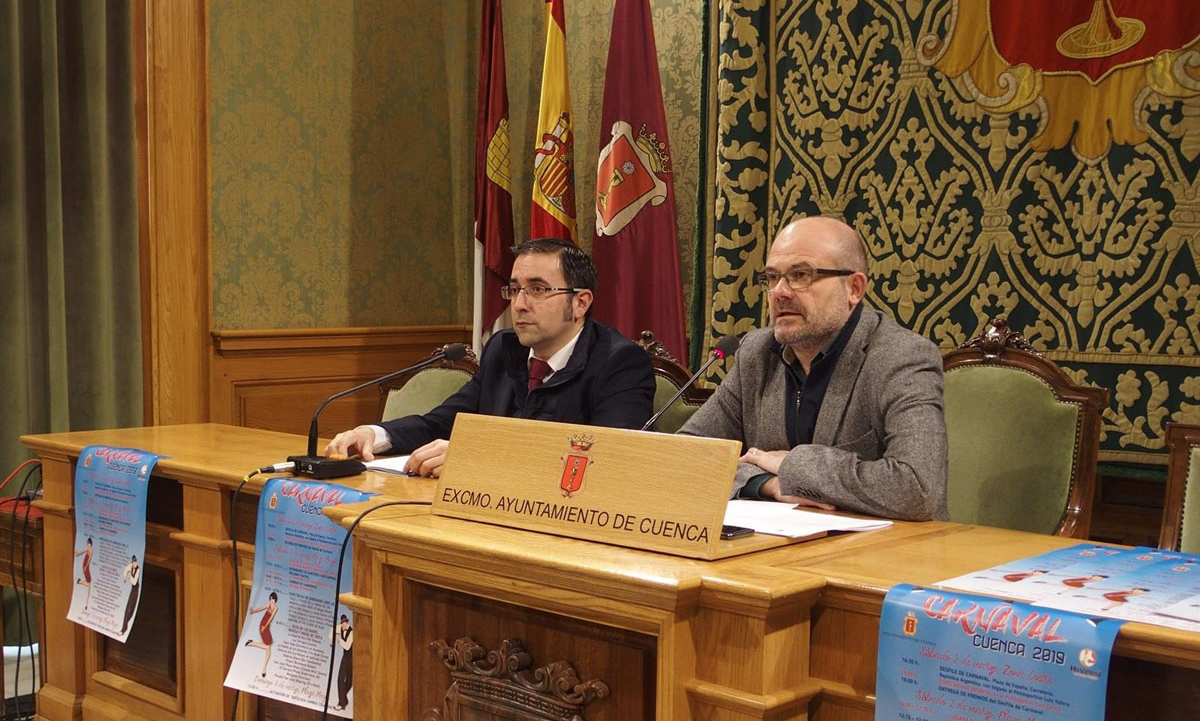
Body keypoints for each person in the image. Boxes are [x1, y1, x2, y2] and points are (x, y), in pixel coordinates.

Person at [679, 216, 947, 520]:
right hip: (773, 552)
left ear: (854, 288)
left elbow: (917, 489)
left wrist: (791, 465)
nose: (780, 292)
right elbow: (685, 456)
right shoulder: (756, 354)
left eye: (801, 275)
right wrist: (764, 483)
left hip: (878, 556)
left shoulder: (900, 357)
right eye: (771, 278)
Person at [325, 238, 656, 477]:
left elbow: (607, 459)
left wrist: (475, 458)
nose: (520, 304)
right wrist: (375, 434)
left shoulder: (620, 363)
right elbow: (446, 422)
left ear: (581, 303)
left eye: (538, 290)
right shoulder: (503, 348)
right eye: (514, 289)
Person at [244, 591, 278, 678]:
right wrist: (253, 611)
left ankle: (264, 668)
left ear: (275, 600)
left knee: (268, 648)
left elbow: (270, 619)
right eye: (270, 599)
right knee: (268, 647)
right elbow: (261, 608)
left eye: (273, 600)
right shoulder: (269, 605)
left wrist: (265, 627)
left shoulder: (275, 608)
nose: (271, 601)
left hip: (266, 626)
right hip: (263, 625)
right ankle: (251, 643)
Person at [330, 613, 353, 711]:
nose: (343, 625)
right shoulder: (341, 627)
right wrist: (331, 640)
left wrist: (339, 641)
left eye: (344, 623)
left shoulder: (351, 632)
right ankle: (342, 703)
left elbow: (347, 646)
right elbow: (332, 630)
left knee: (349, 682)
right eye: (342, 623)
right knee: (340, 679)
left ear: (347, 622)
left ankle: (343, 701)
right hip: (345, 657)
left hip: (352, 657)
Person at [120, 554, 141, 635]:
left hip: (136, 590)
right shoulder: (130, 566)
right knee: (128, 608)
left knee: (132, 610)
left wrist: (129, 576)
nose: (135, 564)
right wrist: (125, 576)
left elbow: (134, 581)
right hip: (132, 590)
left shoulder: (138, 569)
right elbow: (126, 570)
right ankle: (123, 629)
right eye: (133, 563)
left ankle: (126, 626)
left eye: (136, 563)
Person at [74, 537, 94, 611]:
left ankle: (86, 603)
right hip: (85, 566)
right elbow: (83, 552)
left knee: (89, 584)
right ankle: (80, 582)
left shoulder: (90, 549)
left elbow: (89, 559)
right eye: (87, 543)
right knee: (89, 584)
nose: (87, 544)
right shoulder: (89, 549)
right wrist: (78, 553)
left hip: (86, 566)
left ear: (90, 543)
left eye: (88, 543)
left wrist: (86, 566)